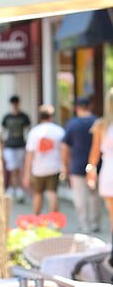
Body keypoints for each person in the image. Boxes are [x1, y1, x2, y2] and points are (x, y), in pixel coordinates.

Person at [62, 96, 101, 233]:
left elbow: (65, 147)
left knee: (80, 196)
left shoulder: (72, 124)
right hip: (96, 165)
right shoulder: (98, 122)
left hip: (77, 165)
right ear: (89, 106)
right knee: (94, 195)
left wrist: (65, 166)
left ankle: (84, 224)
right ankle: (95, 222)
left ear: (77, 108)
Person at [87, 87, 113, 271]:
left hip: (108, 170)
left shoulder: (102, 125)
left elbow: (95, 153)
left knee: (112, 213)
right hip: (108, 169)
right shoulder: (101, 125)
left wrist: (91, 171)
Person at [23, 104, 65, 215]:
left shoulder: (34, 132)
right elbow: (64, 150)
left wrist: (26, 173)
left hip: (38, 169)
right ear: (52, 116)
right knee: (52, 193)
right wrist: (64, 166)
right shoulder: (59, 131)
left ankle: (36, 219)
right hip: (54, 167)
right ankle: (54, 221)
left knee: (37, 194)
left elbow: (29, 154)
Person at [1, 95, 30, 201]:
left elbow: (27, 131)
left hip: (20, 145)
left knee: (19, 167)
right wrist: (2, 145)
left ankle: (17, 188)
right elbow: (3, 132)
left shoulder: (23, 117)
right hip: (9, 145)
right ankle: (14, 188)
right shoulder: (7, 117)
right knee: (12, 168)